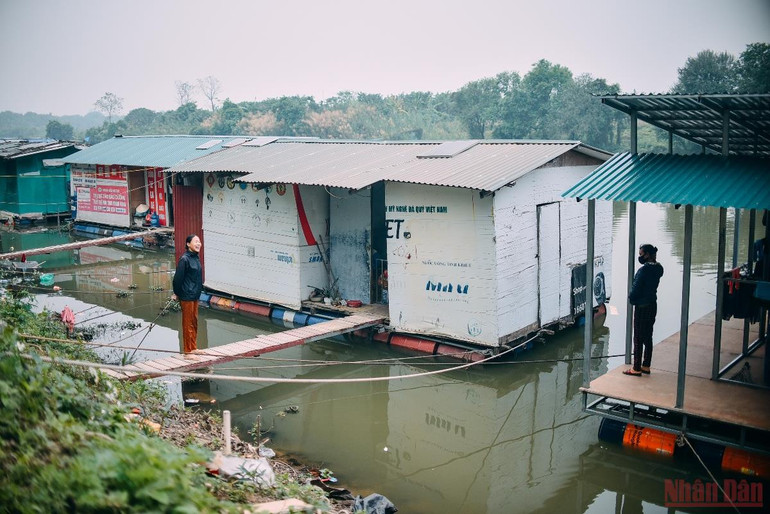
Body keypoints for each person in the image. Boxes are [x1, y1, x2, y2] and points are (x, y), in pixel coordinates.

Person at [624, 243, 664, 377]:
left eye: (641, 254)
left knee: (638, 338)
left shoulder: (643, 271)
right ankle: (646, 365)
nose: (640, 256)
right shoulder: (659, 268)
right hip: (653, 304)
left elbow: (635, 290)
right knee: (648, 335)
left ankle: (636, 368)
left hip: (641, 307)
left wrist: (632, 299)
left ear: (647, 255)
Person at [172, 234, 203, 358]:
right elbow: (177, 279)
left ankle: (193, 347)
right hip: (186, 295)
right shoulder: (184, 259)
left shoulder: (195, 257)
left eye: (199, 241)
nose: (198, 244)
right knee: (187, 324)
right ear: (188, 244)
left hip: (195, 295)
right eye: (195, 241)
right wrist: (177, 293)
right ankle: (187, 351)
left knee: (194, 322)